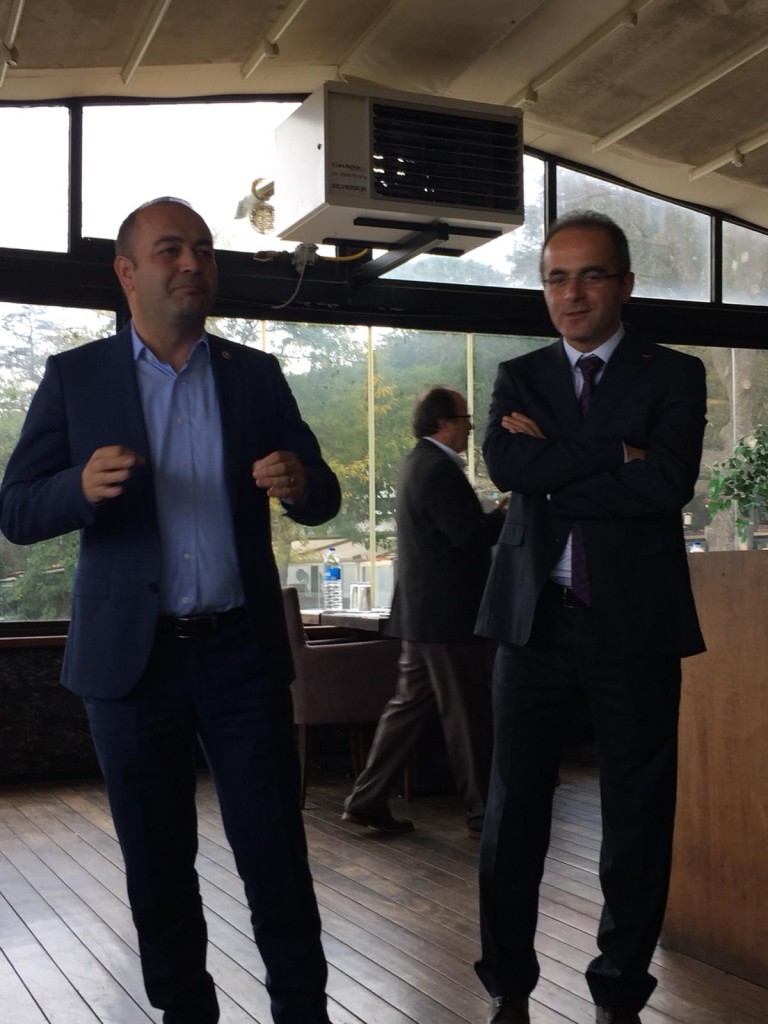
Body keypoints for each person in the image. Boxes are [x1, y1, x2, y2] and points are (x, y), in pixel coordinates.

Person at [0, 197, 341, 1024]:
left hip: (240, 655)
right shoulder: (76, 377)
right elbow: (16, 508)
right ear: (126, 272)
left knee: (275, 853)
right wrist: (78, 489)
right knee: (157, 866)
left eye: (204, 250)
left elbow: (323, 493)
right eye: (170, 250)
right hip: (131, 663)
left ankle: (304, 1012)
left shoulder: (255, 375)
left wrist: (301, 483)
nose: (192, 263)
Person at [473, 211, 706, 1024]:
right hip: (533, 622)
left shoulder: (675, 374)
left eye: (591, 275)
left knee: (637, 815)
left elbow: (667, 484)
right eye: (556, 277)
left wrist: (554, 465)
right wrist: (616, 451)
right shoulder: (520, 374)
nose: (572, 294)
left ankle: (620, 992)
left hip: (635, 626)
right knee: (512, 812)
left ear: (625, 284)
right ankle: (507, 986)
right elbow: (507, 464)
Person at [342, 386, 504, 837]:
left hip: (422, 614)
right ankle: (483, 813)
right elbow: (466, 536)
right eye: (464, 418)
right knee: (468, 715)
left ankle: (367, 800)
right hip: (448, 617)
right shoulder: (438, 469)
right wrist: (504, 513)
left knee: (408, 709)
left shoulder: (415, 464)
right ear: (443, 422)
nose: (470, 426)